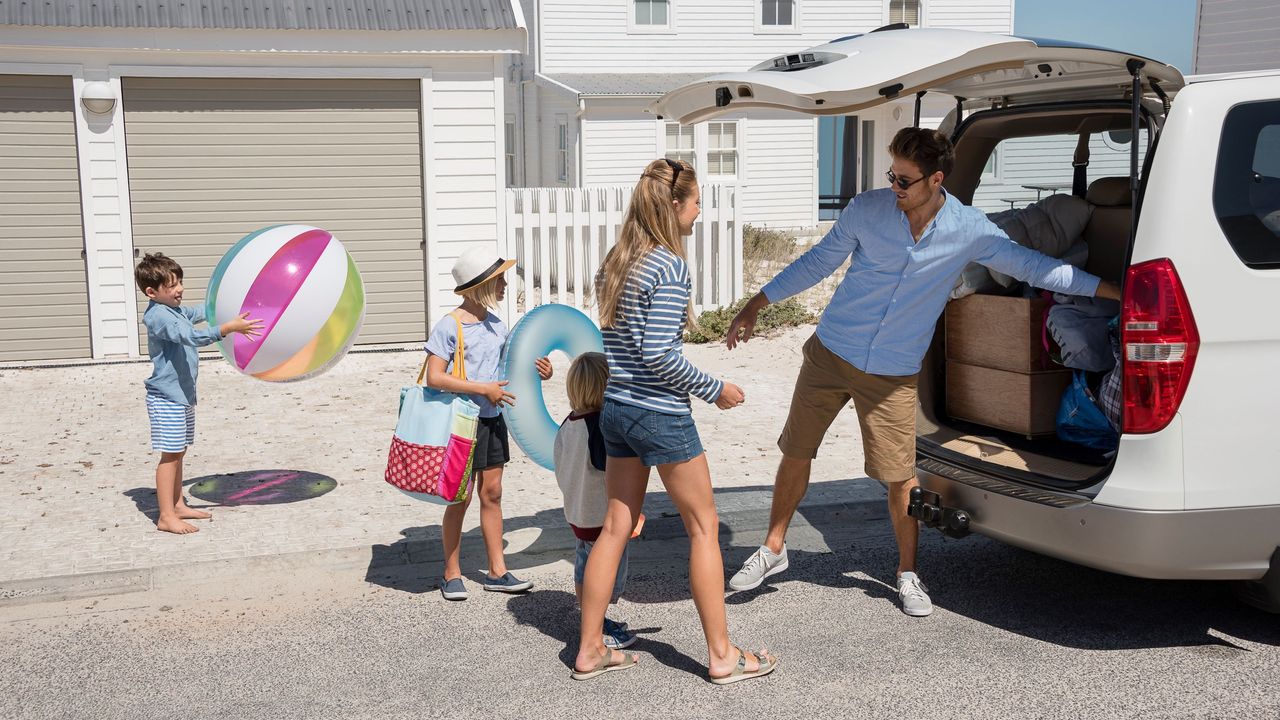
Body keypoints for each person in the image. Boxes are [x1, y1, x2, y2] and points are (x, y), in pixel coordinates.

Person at [725, 127, 1122, 617]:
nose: (894, 186)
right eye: (891, 175)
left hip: (892, 371)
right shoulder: (867, 210)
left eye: (905, 180)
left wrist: (1112, 292)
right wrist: (757, 302)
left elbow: (1036, 268)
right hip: (831, 351)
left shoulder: (969, 229)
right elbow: (817, 262)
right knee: (797, 451)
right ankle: (774, 548)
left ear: (936, 180)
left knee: (899, 477)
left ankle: (907, 574)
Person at [572, 158, 778, 684]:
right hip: (660, 414)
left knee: (614, 528)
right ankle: (722, 656)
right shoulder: (667, 266)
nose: (700, 210)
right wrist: (716, 390)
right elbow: (660, 353)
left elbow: (624, 347)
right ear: (674, 204)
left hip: (618, 409)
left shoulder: (616, 262)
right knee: (704, 526)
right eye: (696, 201)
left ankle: (590, 648)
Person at [425, 247, 552, 600]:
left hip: (492, 420)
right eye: (499, 280)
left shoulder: (498, 327)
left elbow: (510, 371)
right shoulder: (449, 326)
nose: (506, 285)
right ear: (480, 284)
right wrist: (481, 388)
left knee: (492, 494)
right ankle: (451, 572)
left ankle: (498, 571)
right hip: (461, 425)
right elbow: (434, 378)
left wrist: (542, 371)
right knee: (460, 498)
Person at [135, 252, 261, 535]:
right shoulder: (158, 317)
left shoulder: (175, 309)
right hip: (165, 397)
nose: (179, 289)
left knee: (179, 452)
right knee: (170, 455)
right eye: (172, 285)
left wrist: (226, 306)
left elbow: (201, 312)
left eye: (179, 282)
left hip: (182, 396)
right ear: (152, 292)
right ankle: (166, 515)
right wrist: (227, 329)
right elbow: (191, 336)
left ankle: (177, 504)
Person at [553, 351, 639, 651]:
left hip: (577, 513)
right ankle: (598, 626)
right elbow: (612, 474)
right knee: (607, 570)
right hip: (601, 517)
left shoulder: (568, 423)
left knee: (583, 565)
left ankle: (589, 618)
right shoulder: (601, 428)